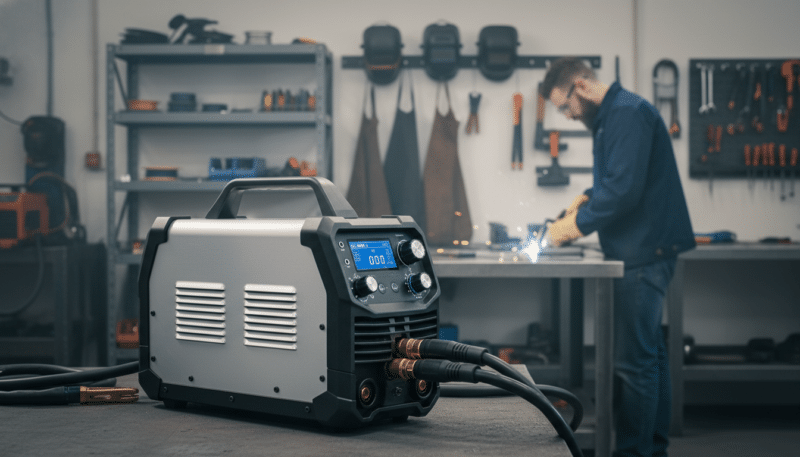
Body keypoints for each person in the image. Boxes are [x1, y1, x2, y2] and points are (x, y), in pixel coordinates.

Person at [541, 57, 695, 457]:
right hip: (640, 250)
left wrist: (571, 227)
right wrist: (585, 202)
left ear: (581, 85)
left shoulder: (626, 112)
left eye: (565, 107)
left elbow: (624, 190)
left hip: (642, 255)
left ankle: (634, 453)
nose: (568, 116)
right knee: (649, 361)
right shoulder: (611, 117)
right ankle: (652, 449)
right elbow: (615, 183)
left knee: (633, 366)